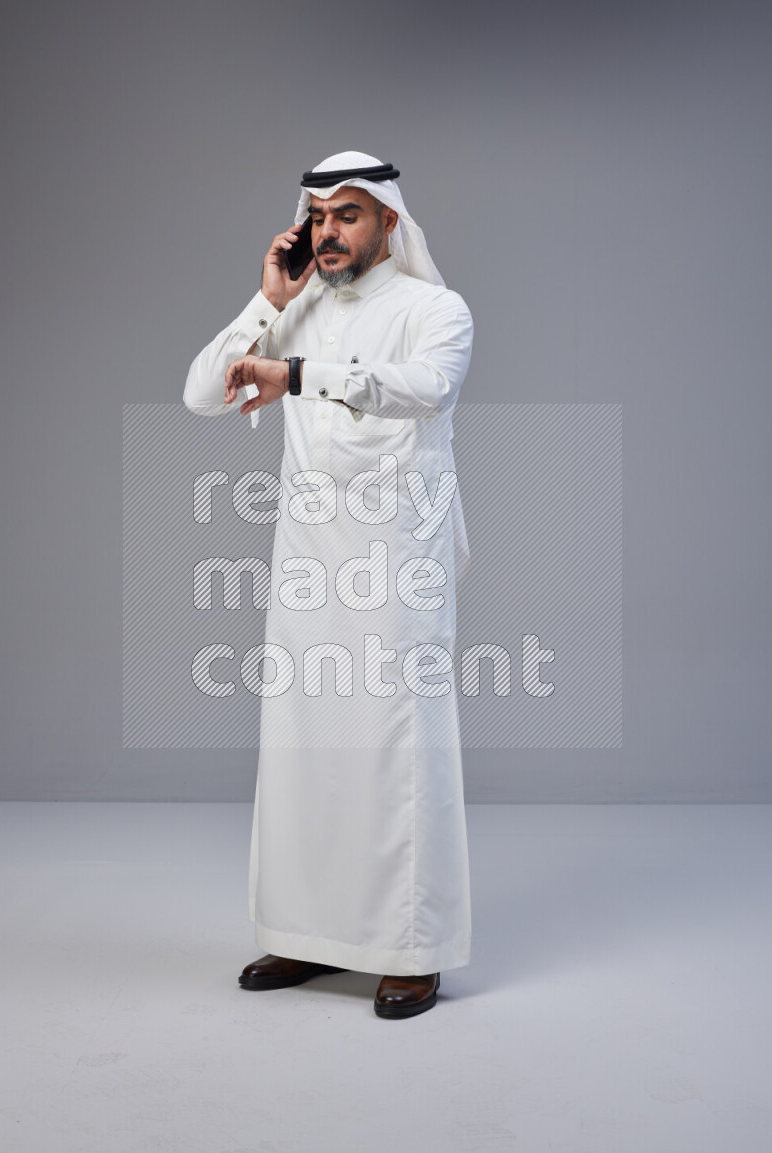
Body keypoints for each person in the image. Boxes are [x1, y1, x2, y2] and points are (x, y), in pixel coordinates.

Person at [183, 151, 474, 1018]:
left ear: (388, 220)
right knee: (303, 745)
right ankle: (306, 934)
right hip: (309, 561)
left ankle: (412, 949)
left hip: (398, 559)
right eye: (318, 215)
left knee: (396, 750)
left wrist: (299, 375)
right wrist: (267, 305)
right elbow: (202, 393)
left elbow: (425, 389)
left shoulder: (435, 309)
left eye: (349, 213)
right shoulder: (298, 310)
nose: (330, 230)